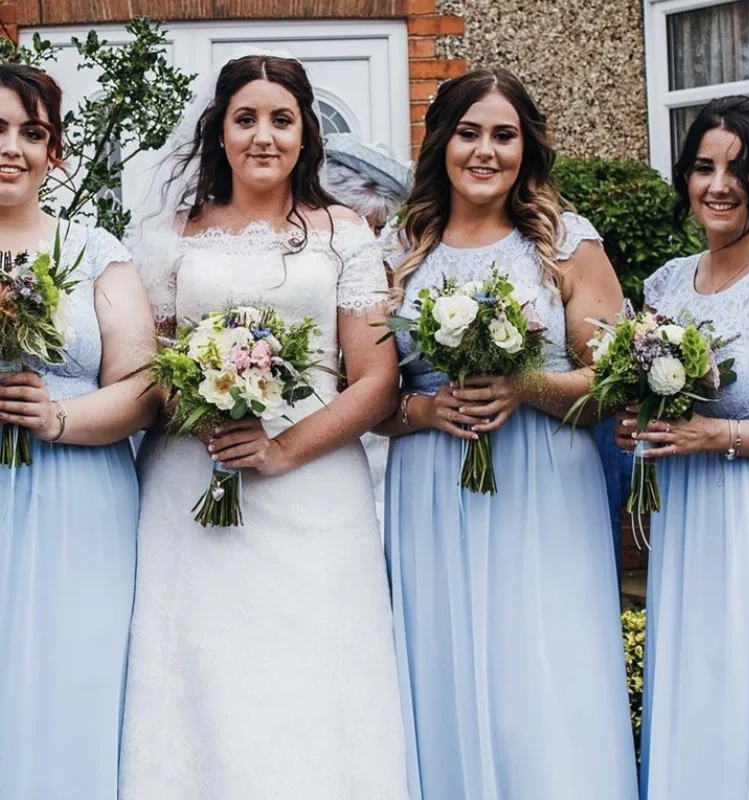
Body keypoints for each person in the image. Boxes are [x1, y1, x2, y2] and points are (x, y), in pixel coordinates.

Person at [119, 52, 408, 799]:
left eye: (282, 119)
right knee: (203, 669)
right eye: (246, 118)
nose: (263, 136)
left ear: (306, 132)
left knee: (313, 672)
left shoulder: (342, 232)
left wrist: (280, 450)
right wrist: (201, 402)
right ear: (220, 131)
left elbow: (376, 380)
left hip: (314, 492)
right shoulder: (169, 237)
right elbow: (147, 372)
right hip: (191, 483)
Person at [377, 67, 638, 799]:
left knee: (544, 667)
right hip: (431, 483)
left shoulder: (564, 244)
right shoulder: (400, 248)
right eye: (468, 134)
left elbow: (614, 385)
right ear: (440, 143)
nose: (484, 151)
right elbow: (367, 393)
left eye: (503, 135)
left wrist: (525, 386)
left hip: (544, 485)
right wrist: (423, 411)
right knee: (444, 658)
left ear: (527, 148)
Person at [615, 95, 749, 800]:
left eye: (737, 168)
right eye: (701, 167)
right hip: (692, 522)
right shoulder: (666, 285)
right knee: (702, 681)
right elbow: (654, 404)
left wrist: (718, 435)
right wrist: (639, 428)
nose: (717, 184)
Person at [0, 63, 159, 799]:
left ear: (53, 150)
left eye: (31, 132)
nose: (13, 148)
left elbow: (142, 385)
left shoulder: (96, 252)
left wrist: (59, 417)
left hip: (80, 494)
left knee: (76, 671)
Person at [322, 132, 411, 525]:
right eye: (365, 227)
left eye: (377, 228)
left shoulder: (390, 270)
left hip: (376, 436)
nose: (371, 240)